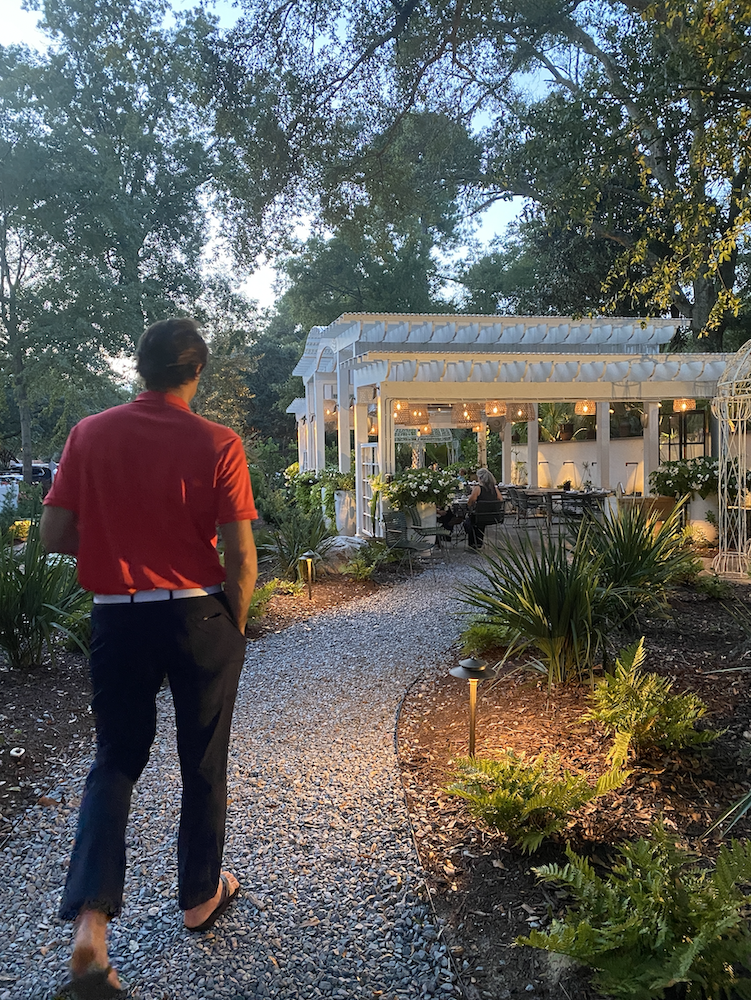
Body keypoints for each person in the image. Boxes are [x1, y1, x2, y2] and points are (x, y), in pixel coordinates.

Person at [41, 318, 258, 1000]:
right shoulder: (218, 441)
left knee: (114, 761)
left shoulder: (89, 433)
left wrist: (113, 559)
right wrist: (235, 623)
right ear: (197, 373)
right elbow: (239, 554)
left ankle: (92, 932)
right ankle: (198, 897)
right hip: (197, 613)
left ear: (140, 368)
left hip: (117, 615)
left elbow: (54, 532)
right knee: (202, 758)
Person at [464, 467, 504, 550]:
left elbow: (471, 501)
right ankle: (478, 543)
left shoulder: (478, 488)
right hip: (493, 516)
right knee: (477, 519)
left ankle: (473, 544)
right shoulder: (495, 489)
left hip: (479, 517)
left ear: (480, 478)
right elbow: (500, 500)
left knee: (469, 519)